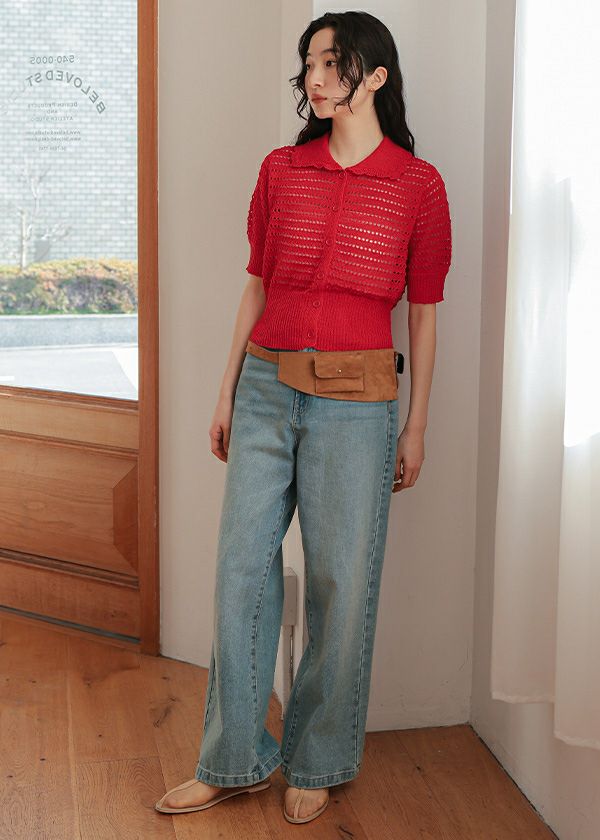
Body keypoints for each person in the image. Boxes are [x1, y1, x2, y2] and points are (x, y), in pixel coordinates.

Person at [155, 10, 452, 825]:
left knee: (340, 584)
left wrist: (417, 425)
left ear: (376, 77)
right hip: (265, 384)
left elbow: (423, 314)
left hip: (359, 405)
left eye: (333, 63)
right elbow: (257, 284)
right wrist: (226, 389)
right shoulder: (283, 170)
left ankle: (317, 758)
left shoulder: (418, 187)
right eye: (310, 63)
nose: (315, 78)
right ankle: (233, 758)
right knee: (240, 571)